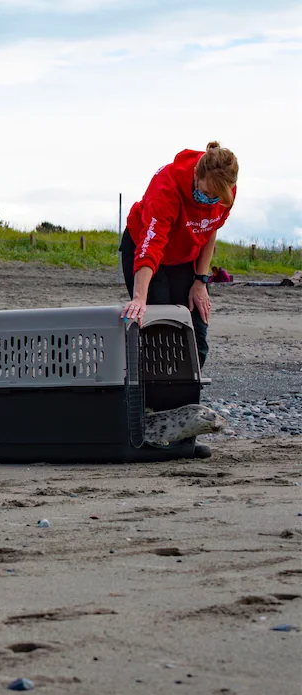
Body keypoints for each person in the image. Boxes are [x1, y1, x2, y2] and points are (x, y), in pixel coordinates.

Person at [120, 142, 238, 458]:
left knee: (194, 337)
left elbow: (210, 232)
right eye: (205, 193)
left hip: (185, 259)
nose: (210, 200)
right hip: (145, 250)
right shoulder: (168, 185)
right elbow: (151, 246)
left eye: (217, 196)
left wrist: (200, 282)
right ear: (196, 178)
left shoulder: (225, 192)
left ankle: (180, 430)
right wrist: (140, 298)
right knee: (158, 331)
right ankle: (143, 424)